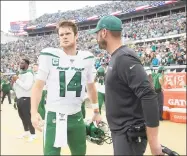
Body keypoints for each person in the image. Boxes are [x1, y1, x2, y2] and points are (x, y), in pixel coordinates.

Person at [90, 15, 163, 155]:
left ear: (104, 32)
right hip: (123, 133)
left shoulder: (123, 58)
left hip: (129, 134)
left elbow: (148, 94)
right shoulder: (117, 57)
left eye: (97, 33)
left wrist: (154, 142)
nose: (96, 37)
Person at [31, 20, 101, 155]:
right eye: (61, 34)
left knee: (80, 153)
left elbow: (91, 87)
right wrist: (33, 112)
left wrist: (96, 111)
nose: (64, 36)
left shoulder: (86, 58)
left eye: (68, 33)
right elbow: (38, 86)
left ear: (76, 35)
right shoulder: (49, 56)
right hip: (54, 116)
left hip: (76, 116)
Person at [12, 59, 36, 142]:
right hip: (19, 98)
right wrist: (14, 82)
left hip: (26, 98)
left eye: (22, 63)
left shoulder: (29, 74)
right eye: (19, 63)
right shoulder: (20, 74)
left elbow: (27, 86)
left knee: (28, 117)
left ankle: (33, 134)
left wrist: (17, 80)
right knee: (22, 117)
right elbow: (16, 87)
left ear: (27, 64)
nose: (20, 64)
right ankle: (26, 132)